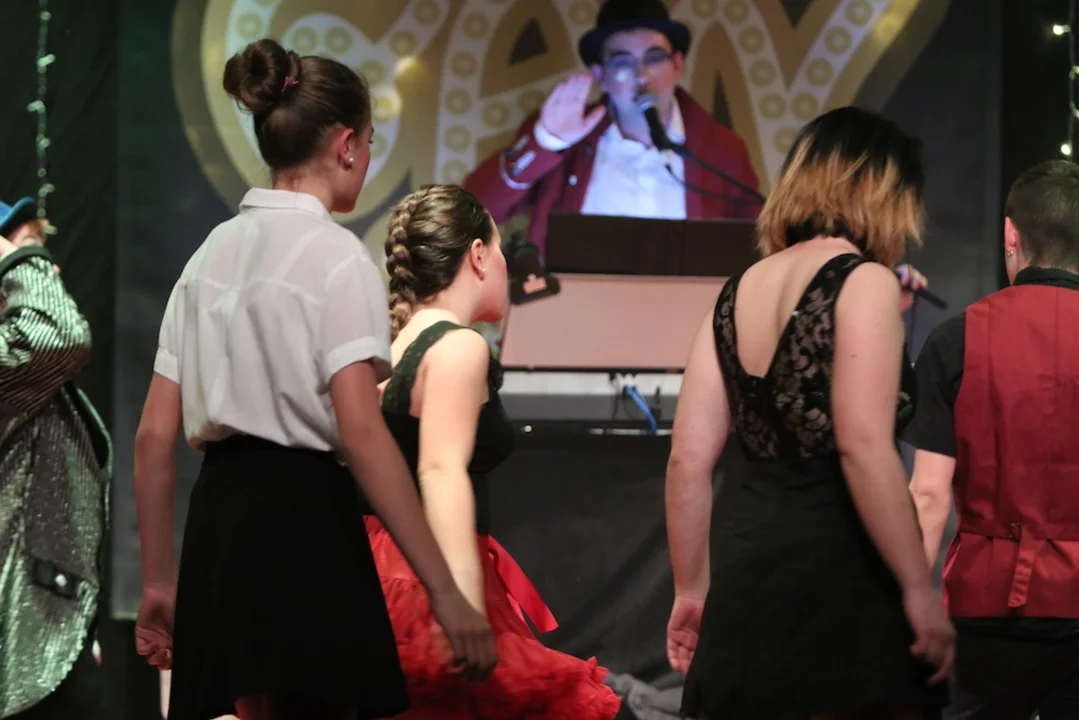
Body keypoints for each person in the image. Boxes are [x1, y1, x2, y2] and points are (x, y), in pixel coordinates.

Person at [132, 39, 496, 720]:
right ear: (347, 144)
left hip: (219, 523)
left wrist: (157, 581)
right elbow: (361, 432)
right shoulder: (337, 256)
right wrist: (445, 591)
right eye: (371, 142)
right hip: (301, 518)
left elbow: (154, 435)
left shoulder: (207, 255)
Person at [664, 107, 955, 720]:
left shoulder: (736, 289)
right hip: (837, 573)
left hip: (747, 571)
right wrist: (916, 587)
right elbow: (863, 446)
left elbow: (687, 460)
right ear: (884, 191)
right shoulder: (865, 280)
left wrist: (690, 589)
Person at [362, 183, 621, 719]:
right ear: (478, 255)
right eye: (501, 249)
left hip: (381, 569)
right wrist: (460, 603)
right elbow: (441, 470)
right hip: (424, 576)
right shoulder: (457, 346)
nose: (506, 265)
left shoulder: (389, 349)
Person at [909, 160, 1079, 720]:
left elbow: (928, 495)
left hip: (986, 601)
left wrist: (910, 606)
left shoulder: (955, 339)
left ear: (1011, 234)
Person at [463, 0, 761, 256]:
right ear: (600, 76)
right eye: (622, 62)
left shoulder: (723, 149)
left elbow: (757, 244)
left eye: (654, 58)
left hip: (690, 306)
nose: (642, 75)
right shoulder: (566, 137)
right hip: (576, 305)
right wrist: (544, 143)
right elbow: (473, 214)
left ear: (677, 65)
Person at [0, 197, 111, 719]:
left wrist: (68, 622)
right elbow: (60, 335)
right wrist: (23, 260)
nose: (49, 271)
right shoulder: (17, 358)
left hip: (36, 642)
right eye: (23, 254)